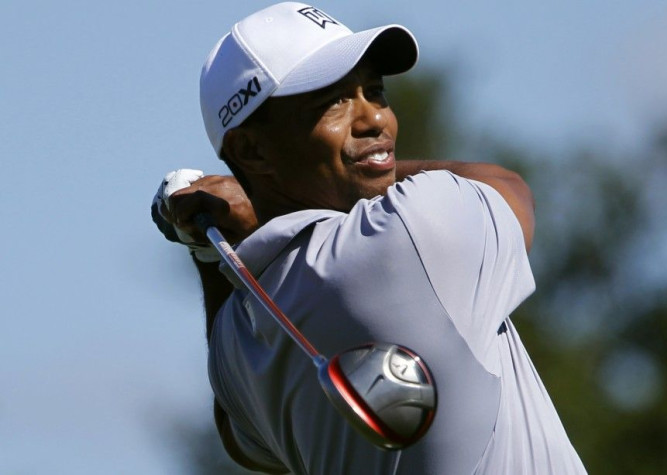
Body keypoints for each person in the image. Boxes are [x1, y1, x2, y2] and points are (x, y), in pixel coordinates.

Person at [152, 2, 587, 473]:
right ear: (251, 150)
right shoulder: (408, 233)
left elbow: (239, 437)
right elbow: (507, 186)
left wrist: (206, 247)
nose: (374, 119)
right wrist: (379, 166)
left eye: (374, 91)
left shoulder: (239, 336)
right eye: (332, 101)